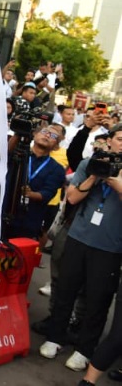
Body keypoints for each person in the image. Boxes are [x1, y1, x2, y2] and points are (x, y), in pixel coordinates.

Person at [39, 124, 122, 372]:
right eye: (120, 138)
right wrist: (96, 175)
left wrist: (116, 183)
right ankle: (55, 337)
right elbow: (73, 198)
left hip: (110, 247)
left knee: (97, 300)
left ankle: (85, 350)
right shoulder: (89, 164)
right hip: (78, 237)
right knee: (65, 289)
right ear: (109, 141)